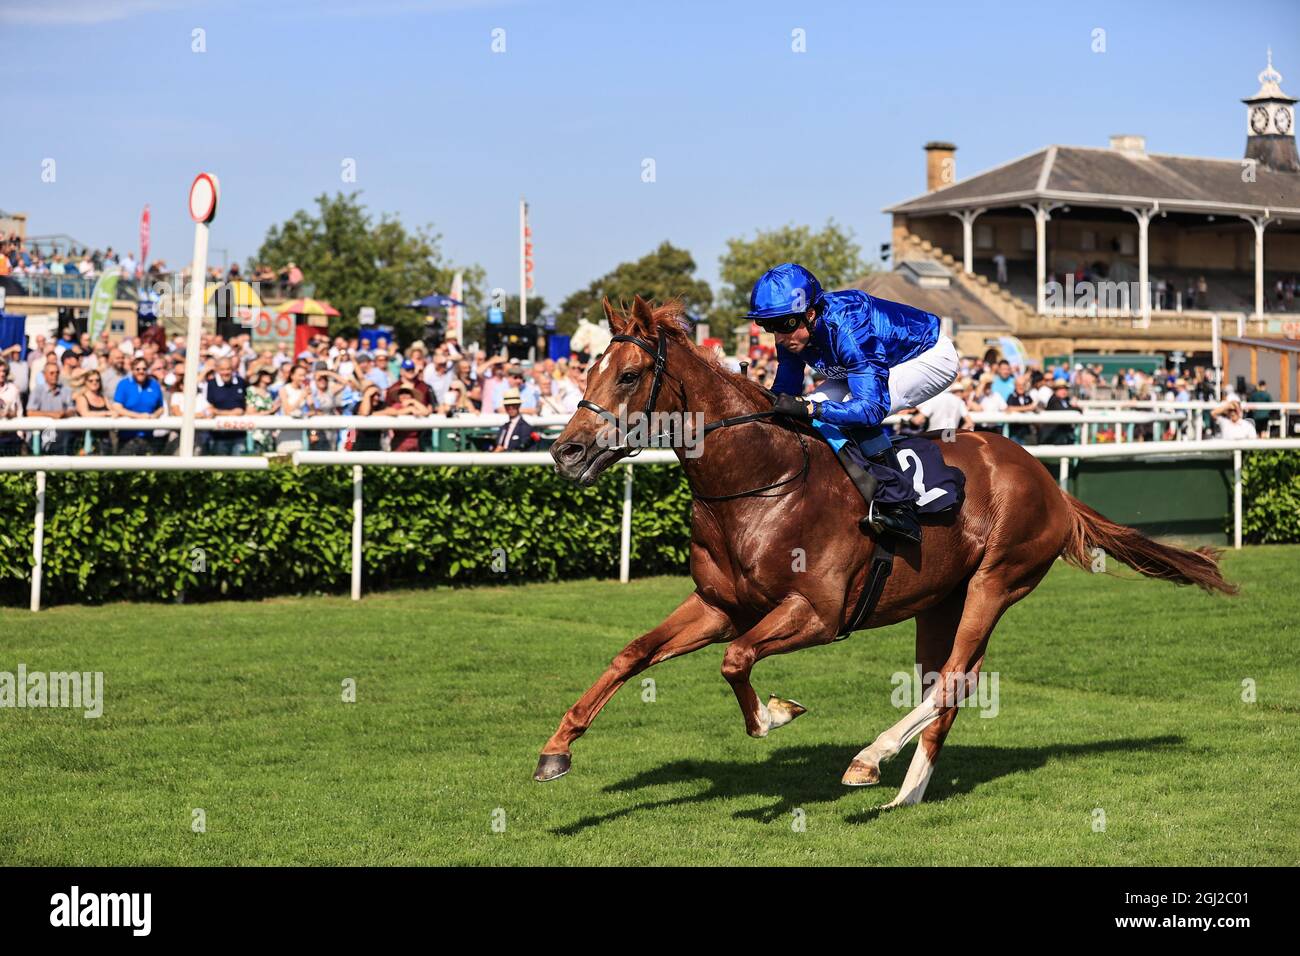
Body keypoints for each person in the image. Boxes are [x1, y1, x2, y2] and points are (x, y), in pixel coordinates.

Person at [756, 262, 958, 542]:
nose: (778, 337)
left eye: (784, 325)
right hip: (866, 367)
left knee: (845, 408)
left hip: (928, 356)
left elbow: (870, 409)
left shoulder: (849, 326)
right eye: (769, 326)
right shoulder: (793, 334)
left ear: (810, 314)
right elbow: (785, 392)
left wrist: (810, 408)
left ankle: (901, 507)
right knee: (809, 409)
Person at [111, 356, 165, 454]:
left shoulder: (154, 384)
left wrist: (154, 415)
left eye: (144, 369)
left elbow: (161, 408)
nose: (141, 371)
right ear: (132, 370)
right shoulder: (124, 384)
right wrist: (139, 417)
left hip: (148, 436)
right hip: (127, 436)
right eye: (138, 369)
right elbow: (117, 407)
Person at [26, 362, 75, 454]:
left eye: (57, 373)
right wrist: (52, 415)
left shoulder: (66, 390)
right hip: (40, 435)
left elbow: (72, 410)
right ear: (44, 375)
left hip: (60, 436)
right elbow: (30, 412)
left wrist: (64, 413)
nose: (55, 375)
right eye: (51, 373)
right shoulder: (37, 390)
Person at [74, 370, 113, 454]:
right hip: (87, 439)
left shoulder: (104, 398)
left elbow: (113, 412)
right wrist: (105, 413)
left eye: (97, 380)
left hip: (105, 439)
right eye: (91, 380)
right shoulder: (81, 398)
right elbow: (85, 414)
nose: (94, 383)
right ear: (86, 382)